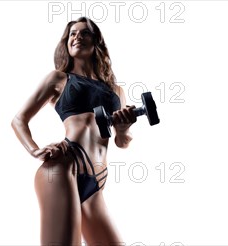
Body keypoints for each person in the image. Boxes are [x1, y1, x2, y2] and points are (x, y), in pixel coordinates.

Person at [11, 17, 137, 245]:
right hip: (64, 166)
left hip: (97, 181)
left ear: (96, 41)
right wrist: (35, 150)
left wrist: (123, 128)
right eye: (72, 34)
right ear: (67, 43)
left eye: (84, 33)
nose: (77, 37)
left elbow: (122, 141)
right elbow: (19, 120)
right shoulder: (59, 79)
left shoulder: (116, 91)